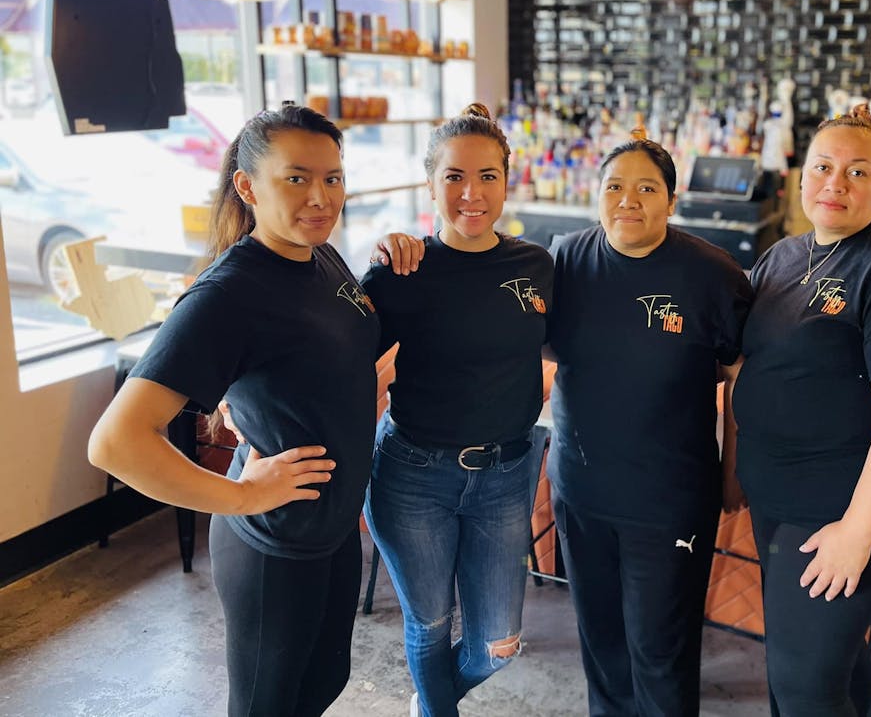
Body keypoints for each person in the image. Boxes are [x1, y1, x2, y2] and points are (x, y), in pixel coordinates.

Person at [88, 104, 385, 717]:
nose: (321, 197)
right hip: (273, 545)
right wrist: (245, 496)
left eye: (333, 178)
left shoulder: (317, 256)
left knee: (323, 683)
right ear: (248, 187)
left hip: (331, 531)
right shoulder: (229, 292)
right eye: (296, 178)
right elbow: (115, 442)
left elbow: (314, 353)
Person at [728, 103, 871, 716]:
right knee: (822, 673)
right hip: (779, 498)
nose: (836, 183)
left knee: (802, 687)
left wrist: (857, 533)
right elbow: (750, 366)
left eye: (857, 172)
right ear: (800, 176)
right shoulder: (782, 257)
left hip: (845, 506)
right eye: (824, 166)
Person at [546, 137, 752, 716]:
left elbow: (739, 378)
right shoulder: (564, 260)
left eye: (646, 188)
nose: (627, 200)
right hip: (582, 492)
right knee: (603, 644)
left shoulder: (712, 275)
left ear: (670, 200)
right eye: (614, 186)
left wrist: (733, 471)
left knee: (661, 649)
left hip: (668, 500)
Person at [362, 104, 553, 717]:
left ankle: (428, 704)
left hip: (506, 474)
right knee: (430, 625)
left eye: (487, 176)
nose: (471, 193)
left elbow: (578, 344)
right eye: (453, 177)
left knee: (499, 644)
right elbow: (326, 346)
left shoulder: (536, 267)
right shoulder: (401, 269)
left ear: (507, 180)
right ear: (430, 184)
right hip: (413, 474)